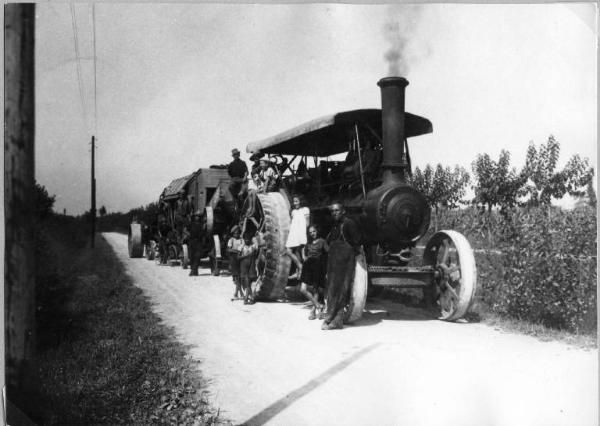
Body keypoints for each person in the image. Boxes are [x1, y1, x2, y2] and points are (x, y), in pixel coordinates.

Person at [322, 203, 363, 330]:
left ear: (343, 211)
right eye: (332, 211)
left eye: (337, 210)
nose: (334, 213)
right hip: (334, 262)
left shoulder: (349, 223)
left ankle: (335, 321)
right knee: (332, 290)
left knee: (341, 290)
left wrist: (350, 256)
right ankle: (332, 318)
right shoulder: (335, 225)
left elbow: (357, 242)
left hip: (344, 262)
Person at [300, 225, 328, 320]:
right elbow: (303, 250)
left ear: (317, 231)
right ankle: (318, 306)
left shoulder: (322, 241)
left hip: (317, 266)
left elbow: (328, 253)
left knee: (316, 290)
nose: (312, 233)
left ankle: (313, 311)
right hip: (307, 266)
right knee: (303, 289)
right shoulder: (309, 243)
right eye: (310, 232)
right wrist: (304, 257)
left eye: (314, 231)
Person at [286, 195, 310, 279]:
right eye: (294, 201)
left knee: (297, 252)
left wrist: (303, 234)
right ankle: (300, 266)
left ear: (301, 201)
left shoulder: (305, 209)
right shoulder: (293, 212)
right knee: (289, 251)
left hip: (300, 233)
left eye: (297, 201)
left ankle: (299, 272)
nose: (295, 203)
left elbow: (307, 223)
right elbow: (292, 223)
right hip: (293, 233)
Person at [238, 234, 258, 305]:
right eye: (246, 239)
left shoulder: (253, 247)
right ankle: (249, 297)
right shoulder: (241, 247)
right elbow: (238, 257)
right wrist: (246, 256)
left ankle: (247, 298)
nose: (247, 240)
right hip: (244, 265)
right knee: (247, 281)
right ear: (244, 239)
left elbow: (256, 254)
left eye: (249, 239)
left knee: (249, 282)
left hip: (251, 264)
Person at [227, 226, 244, 300]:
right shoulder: (231, 240)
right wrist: (237, 251)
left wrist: (236, 251)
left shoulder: (241, 240)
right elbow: (229, 250)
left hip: (240, 259)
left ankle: (237, 293)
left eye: (238, 233)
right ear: (233, 234)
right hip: (233, 259)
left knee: (239, 276)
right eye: (235, 233)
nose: (236, 234)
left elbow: (243, 248)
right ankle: (240, 292)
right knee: (237, 276)